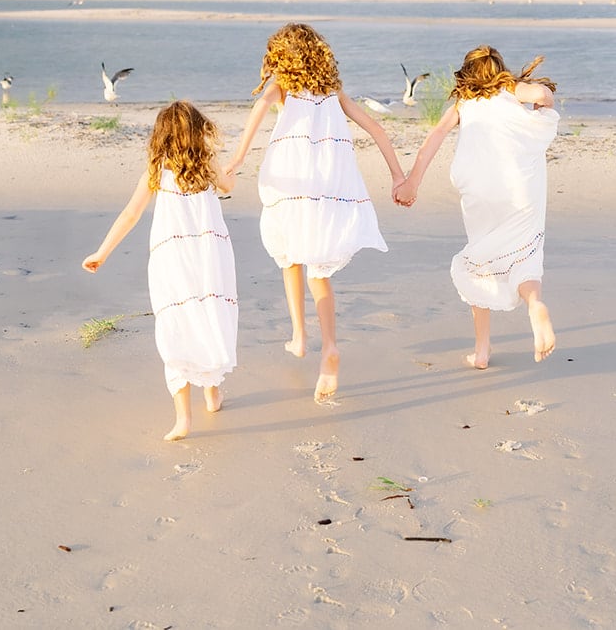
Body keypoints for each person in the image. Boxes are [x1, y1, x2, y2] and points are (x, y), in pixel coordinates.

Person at [224, 23, 406, 402]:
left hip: (290, 181)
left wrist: (238, 158)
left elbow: (258, 109)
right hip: (329, 185)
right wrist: (397, 173)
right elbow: (375, 128)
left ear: (280, 55)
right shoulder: (332, 90)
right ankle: (329, 347)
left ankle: (298, 335)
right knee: (318, 271)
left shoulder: (281, 85)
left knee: (289, 255)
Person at [393, 46, 559, 369]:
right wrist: (536, 110)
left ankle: (482, 351)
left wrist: (412, 181)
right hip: (519, 186)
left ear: (467, 75)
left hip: (478, 186)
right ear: (499, 69)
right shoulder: (510, 89)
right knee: (524, 253)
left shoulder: (463, 102)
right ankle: (535, 304)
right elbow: (541, 92)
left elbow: (435, 137)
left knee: (479, 256)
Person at [83, 101, 237, 441]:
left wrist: (102, 252)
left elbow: (130, 215)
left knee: (176, 325)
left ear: (160, 137)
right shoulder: (208, 165)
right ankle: (212, 394)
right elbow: (229, 186)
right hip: (210, 259)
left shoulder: (155, 172)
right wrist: (230, 170)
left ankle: (183, 419)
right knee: (208, 316)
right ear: (199, 132)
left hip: (173, 261)